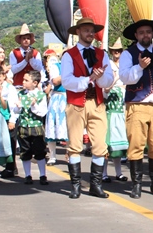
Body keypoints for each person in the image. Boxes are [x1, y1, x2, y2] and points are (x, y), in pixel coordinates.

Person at [118, 18, 153, 199]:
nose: (145, 35)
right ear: (136, 35)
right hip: (136, 104)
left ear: (152, 34)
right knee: (136, 144)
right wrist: (139, 67)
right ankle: (136, 184)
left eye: (148, 32)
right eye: (142, 32)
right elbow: (124, 77)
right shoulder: (128, 54)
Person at [61, 18, 115, 199]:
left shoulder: (101, 54)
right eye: (86, 30)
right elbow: (67, 81)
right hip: (76, 103)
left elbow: (108, 81)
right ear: (78, 32)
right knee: (75, 144)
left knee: (100, 144)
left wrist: (99, 78)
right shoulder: (69, 55)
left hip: (97, 102)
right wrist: (89, 79)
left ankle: (95, 185)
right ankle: (75, 185)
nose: (90, 34)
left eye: (92, 31)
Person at [14, 70, 49, 184]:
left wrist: (34, 106)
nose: (23, 82)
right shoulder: (21, 94)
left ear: (35, 83)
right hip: (23, 126)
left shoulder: (40, 95)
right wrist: (18, 107)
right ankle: (27, 175)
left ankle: (42, 175)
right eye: (23, 80)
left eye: (26, 80)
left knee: (40, 151)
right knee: (25, 151)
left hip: (36, 127)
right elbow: (16, 111)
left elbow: (42, 112)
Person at [104, 37, 129, 182]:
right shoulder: (108, 65)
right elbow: (105, 91)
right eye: (114, 51)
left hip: (120, 114)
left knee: (118, 147)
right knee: (106, 146)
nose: (117, 53)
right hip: (109, 115)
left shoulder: (124, 66)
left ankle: (119, 173)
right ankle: (104, 173)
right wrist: (113, 80)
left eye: (119, 50)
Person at [43, 49, 68, 165]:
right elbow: (55, 81)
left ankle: (70, 153)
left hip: (70, 98)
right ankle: (52, 156)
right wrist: (69, 73)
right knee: (52, 126)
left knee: (70, 127)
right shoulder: (56, 66)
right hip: (57, 98)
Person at [10, 24, 46, 88]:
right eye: (24, 38)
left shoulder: (36, 53)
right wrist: (25, 61)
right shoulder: (14, 52)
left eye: (28, 38)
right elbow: (13, 70)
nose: (26, 40)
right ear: (20, 40)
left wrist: (31, 58)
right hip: (18, 85)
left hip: (32, 87)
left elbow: (39, 68)